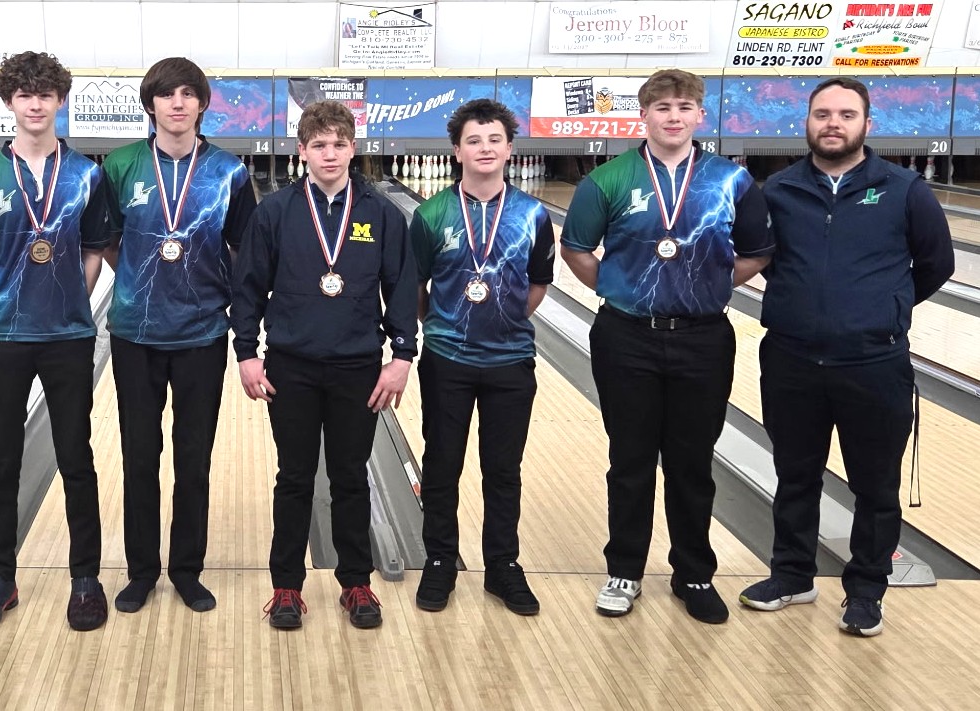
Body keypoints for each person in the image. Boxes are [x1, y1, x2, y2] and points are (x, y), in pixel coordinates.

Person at [738, 77, 954, 637]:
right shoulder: (778, 189)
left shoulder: (906, 190)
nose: (833, 123)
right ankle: (792, 575)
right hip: (791, 359)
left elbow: (937, 264)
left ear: (866, 123)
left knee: (875, 486)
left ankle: (865, 592)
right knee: (795, 475)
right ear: (807, 122)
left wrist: (882, 308)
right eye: (823, 114)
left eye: (846, 114)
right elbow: (760, 257)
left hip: (874, 363)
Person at [560, 69, 772, 625]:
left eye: (683, 107)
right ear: (644, 115)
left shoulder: (732, 181)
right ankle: (624, 570)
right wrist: (619, 289)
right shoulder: (607, 180)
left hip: (703, 338)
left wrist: (711, 288)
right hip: (626, 337)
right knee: (629, 460)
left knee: (692, 463)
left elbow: (757, 251)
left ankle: (694, 573)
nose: (673, 117)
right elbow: (577, 248)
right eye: (662, 107)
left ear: (700, 114)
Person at [233, 100, 417, 630]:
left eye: (339, 144)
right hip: (290, 367)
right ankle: (286, 587)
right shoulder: (275, 212)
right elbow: (248, 287)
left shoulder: (381, 213)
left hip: (357, 368)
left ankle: (356, 582)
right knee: (293, 477)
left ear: (353, 148)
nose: (329, 153)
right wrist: (246, 353)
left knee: (350, 478)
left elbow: (401, 289)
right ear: (302, 151)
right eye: (319, 145)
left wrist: (402, 356)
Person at [0, 51, 111, 633]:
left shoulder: (87, 175)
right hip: (4, 336)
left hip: (68, 334)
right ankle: (0, 576)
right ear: (9, 102)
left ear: (59, 100)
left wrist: (72, 298)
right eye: (24, 94)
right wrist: (9, 305)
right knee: (3, 457)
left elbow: (94, 248)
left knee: (76, 456)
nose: (35, 104)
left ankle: (85, 577)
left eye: (45, 93)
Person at [101, 57, 256, 614]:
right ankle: (142, 571)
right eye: (167, 94)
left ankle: (187, 570)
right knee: (140, 458)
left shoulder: (229, 172)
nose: (178, 103)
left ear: (202, 103)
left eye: (189, 93)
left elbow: (245, 252)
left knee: (194, 460)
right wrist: (140, 281)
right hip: (134, 334)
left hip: (203, 333)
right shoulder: (120, 166)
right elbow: (107, 240)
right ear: (151, 103)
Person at [407, 99, 555, 615]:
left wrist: (505, 320)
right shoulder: (431, 215)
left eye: (494, 140)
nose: (485, 148)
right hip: (447, 359)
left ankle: (502, 566)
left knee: (503, 470)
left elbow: (538, 284)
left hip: (510, 362)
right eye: (474, 140)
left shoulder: (534, 214)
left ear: (510, 149)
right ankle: (440, 560)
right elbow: (415, 289)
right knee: (441, 464)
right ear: (457, 151)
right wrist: (446, 324)